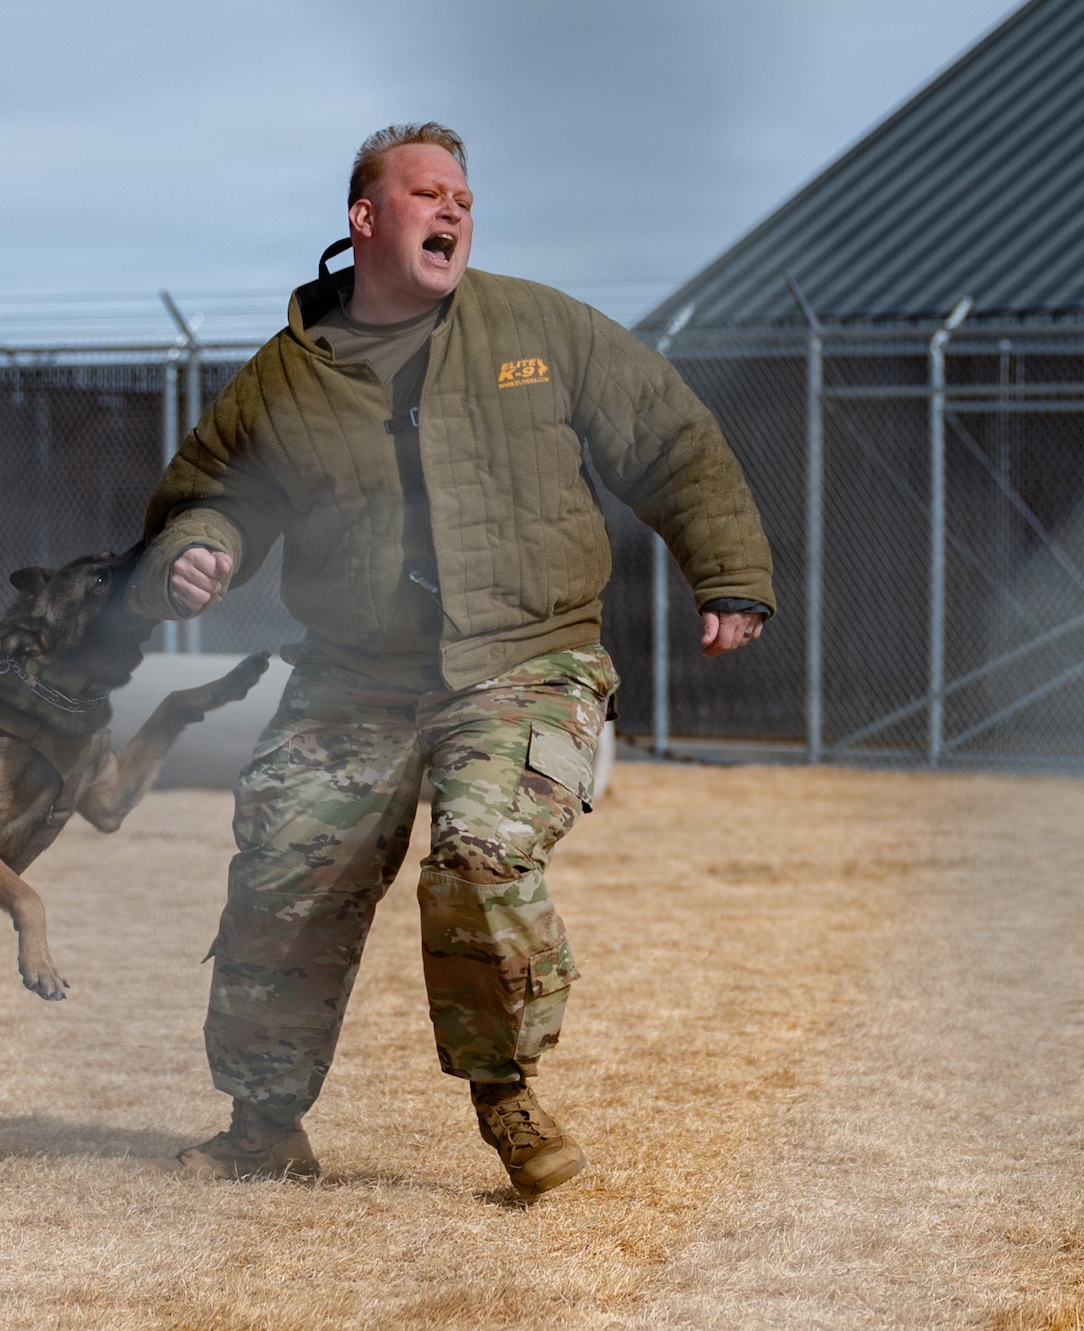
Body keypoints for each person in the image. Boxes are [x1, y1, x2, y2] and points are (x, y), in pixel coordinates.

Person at [126, 123, 774, 1197]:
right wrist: (200, 550)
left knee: (477, 855)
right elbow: (216, 492)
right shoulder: (290, 374)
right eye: (427, 192)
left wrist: (730, 573)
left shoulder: (536, 325)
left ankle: (507, 1095)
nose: (453, 210)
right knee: (285, 870)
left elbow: (668, 437)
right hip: (351, 671)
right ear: (365, 218)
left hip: (526, 658)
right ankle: (261, 1124)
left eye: (464, 197)